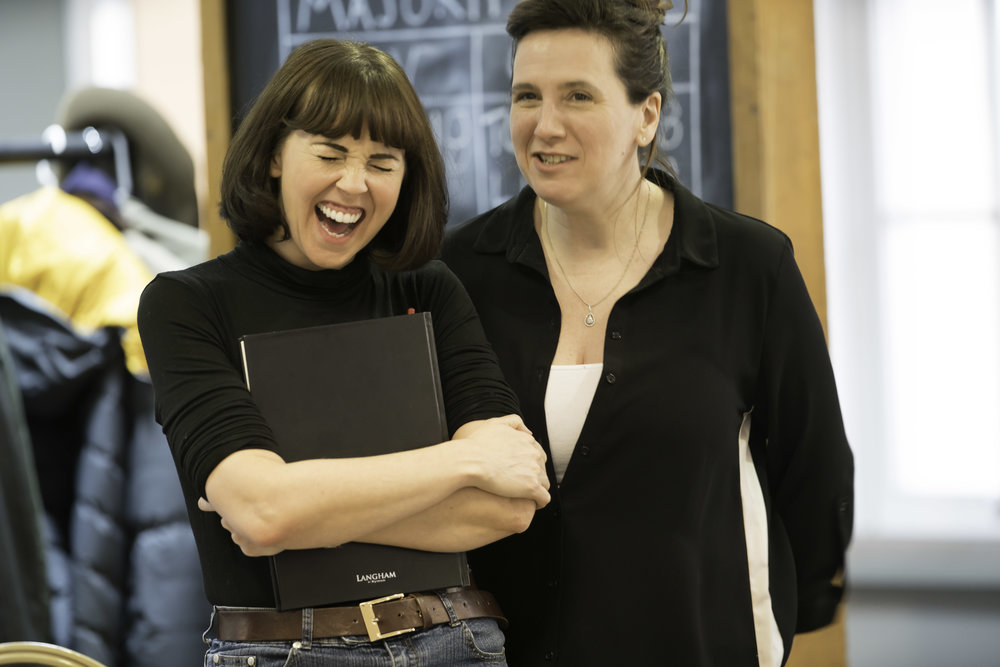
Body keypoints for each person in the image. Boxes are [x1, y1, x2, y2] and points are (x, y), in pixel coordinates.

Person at [440, 1, 854, 665]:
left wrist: (771, 622)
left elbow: (817, 478)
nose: (544, 125)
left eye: (578, 95)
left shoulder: (748, 267)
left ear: (647, 115)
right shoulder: (458, 272)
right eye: (526, 96)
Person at [137, 38, 550, 666]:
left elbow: (511, 504)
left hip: (455, 636)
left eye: (382, 162)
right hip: (282, 651)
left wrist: (300, 513)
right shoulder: (185, 304)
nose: (353, 183)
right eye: (329, 153)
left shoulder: (428, 290)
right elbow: (264, 511)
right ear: (274, 156)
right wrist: (464, 461)